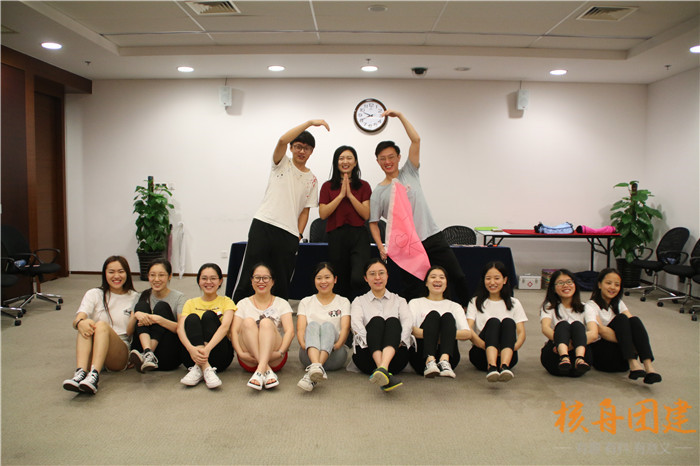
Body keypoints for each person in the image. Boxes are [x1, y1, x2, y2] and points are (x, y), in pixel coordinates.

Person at [368, 109, 470, 306]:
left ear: (399, 157)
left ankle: (468, 313)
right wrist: (381, 247)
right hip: (407, 247)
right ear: (378, 161)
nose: (388, 162)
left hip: (431, 236)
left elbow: (416, 140)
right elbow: (373, 223)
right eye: (383, 158)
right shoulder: (378, 192)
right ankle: (415, 321)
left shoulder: (410, 172)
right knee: (414, 288)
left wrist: (400, 116)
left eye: (391, 157)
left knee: (456, 275)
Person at [232, 119, 330, 303]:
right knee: (251, 273)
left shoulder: (312, 179)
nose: (302, 151)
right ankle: (238, 312)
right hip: (264, 224)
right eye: (298, 146)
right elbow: (282, 140)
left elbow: (305, 211)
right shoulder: (281, 163)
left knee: (282, 278)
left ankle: (277, 316)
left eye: (307, 148)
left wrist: (298, 235)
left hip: (289, 234)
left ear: (311, 152)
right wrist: (309, 123)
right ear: (291, 148)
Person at [62, 255, 139, 394]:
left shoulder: (135, 297)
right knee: (86, 323)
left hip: (119, 349)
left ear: (127, 273)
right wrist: (80, 323)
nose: (116, 276)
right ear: (105, 274)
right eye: (111, 272)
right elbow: (78, 318)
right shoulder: (94, 294)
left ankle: (94, 375)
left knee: (101, 325)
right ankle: (80, 372)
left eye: (121, 271)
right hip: (95, 343)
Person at [586, 268, 661, 384]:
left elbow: (633, 327)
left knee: (634, 320)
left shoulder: (619, 303)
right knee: (621, 319)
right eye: (608, 283)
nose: (612, 287)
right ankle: (633, 362)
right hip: (603, 357)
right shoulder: (590, 306)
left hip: (622, 357)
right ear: (599, 285)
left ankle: (648, 367)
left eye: (617, 285)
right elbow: (601, 331)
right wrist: (629, 341)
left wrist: (629, 340)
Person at [319, 145, 372, 299]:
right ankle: (344, 309)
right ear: (336, 162)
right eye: (341, 158)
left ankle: (361, 305)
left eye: (349, 158)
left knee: (358, 278)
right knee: (340, 280)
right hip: (336, 235)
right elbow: (323, 214)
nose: (345, 161)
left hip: (359, 236)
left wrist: (350, 195)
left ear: (355, 162)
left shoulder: (364, 185)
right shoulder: (327, 186)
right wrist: (341, 195)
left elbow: (366, 214)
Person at [351, 258, 412, 392]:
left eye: (381, 273)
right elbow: (356, 325)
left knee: (393, 321)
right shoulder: (359, 301)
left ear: (387, 276)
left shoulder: (400, 300)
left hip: (396, 357)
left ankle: (382, 369)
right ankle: (383, 369)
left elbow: (408, 324)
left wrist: (399, 341)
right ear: (365, 278)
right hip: (367, 357)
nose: (377, 277)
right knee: (377, 321)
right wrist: (372, 342)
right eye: (372, 274)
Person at [232, 263, 295, 391]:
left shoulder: (281, 303)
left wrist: (280, 352)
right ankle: (265, 370)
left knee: (266, 322)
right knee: (248, 322)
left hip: (275, 357)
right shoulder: (243, 303)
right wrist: (240, 353)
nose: (261, 281)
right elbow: (234, 331)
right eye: (257, 278)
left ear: (272, 281)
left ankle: (260, 370)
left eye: (265, 278)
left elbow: (290, 331)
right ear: (251, 281)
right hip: (248, 358)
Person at [466, 261, 527, 382]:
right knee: (493, 322)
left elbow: (521, 332)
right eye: (488, 278)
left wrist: (512, 347)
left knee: (508, 322)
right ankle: (491, 366)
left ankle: (504, 366)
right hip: (481, 354)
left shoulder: (514, 303)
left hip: (508, 355)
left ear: (505, 280)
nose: (492, 282)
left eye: (497, 278)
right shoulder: (475, 301)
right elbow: (468, 329)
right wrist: (486, 346)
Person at [178, 263, 235, 389]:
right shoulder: (190, 303)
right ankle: (204, 367)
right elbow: (180, 329)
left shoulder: (226, 301)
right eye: (204, 278)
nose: (208, 282)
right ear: (198, 281)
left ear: (220, 281)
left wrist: (207, 349)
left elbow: (225, 327)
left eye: (213, 278)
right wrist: (191, 349)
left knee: (209, 316)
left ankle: (200, 367)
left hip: (219, 356)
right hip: (192, 357)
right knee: (192, 318)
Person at [296, 262, 351, 391]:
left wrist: (337, 346)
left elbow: (345, 328)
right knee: (313, 325)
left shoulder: (343, 301)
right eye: (319, 278)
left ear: (335, 279)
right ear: (314, 280)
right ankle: (316, 367)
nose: (323, 281)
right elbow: (301, 330)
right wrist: (304, 345)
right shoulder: (305, 302)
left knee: (327, 326)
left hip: (335, 354)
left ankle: (314, 370)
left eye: (327, 277)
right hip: (308, 356)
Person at [408, 266, 471, 379]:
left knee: (447, 317)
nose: (437, 280)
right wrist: (443, 334)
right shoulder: (415, 303)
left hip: (450, 358)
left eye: (442, 277)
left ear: (446, 284)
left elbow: (467, 333)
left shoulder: (455, 306)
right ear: (426, 283)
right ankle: (430, 360)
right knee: (433, 315)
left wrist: (437, 333)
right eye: (433, 277)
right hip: (421, 357)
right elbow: (411, 330)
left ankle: (444, 361)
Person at [129, 259, 185, 372]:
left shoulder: (179, 297)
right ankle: (148, 353)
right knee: (141, 306)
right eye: (152, 275)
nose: (156, 279)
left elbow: (181, 328)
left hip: (166, 356)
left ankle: (148, 354)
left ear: (169, 276)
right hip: (141, 351)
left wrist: (159, 320)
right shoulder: (141, 296)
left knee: (162, 307)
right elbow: (129, 331)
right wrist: (136, 315)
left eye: (161, 275)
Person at [539, 269, 598, 377]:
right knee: (563, 325)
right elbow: (545, 329)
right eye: (560, 283)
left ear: (575, 285)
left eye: (569, 282)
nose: (566, 285)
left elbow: (593, 333)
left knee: (577, 325)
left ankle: (579, 359)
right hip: (555, 355)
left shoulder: (586, 307)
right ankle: (564, 357)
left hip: (580, 356)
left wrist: (570, 345)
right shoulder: (549, 307)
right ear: (553, 288)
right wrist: (562, 343)